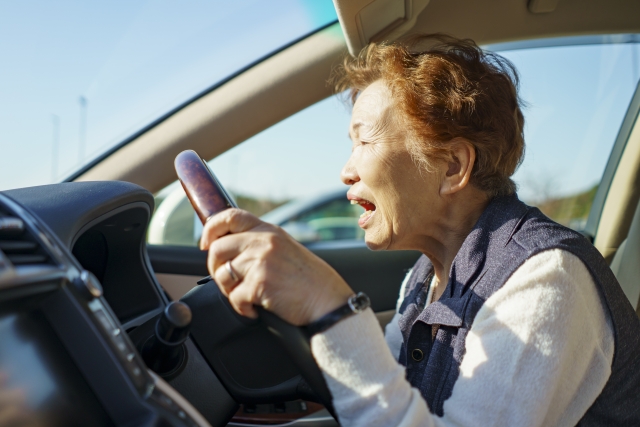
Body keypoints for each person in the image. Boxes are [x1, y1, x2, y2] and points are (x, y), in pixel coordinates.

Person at [199, 35, 640, 426]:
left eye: (364, 140)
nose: (345, 171)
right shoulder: (426, 276)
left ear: (452, 167)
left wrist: (328, 306)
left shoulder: (546, 280)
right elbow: (392, 392)